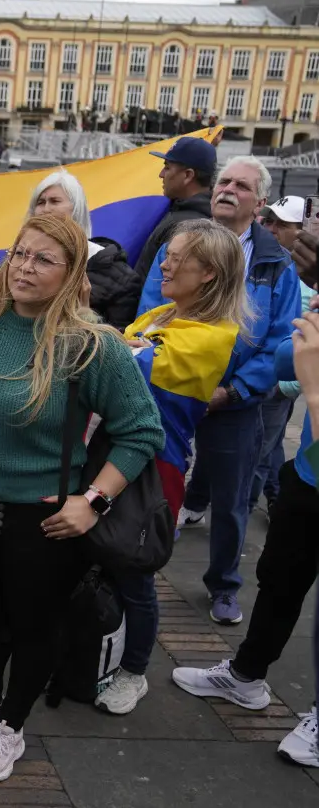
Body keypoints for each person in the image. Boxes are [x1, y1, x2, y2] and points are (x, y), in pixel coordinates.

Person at [0, 215, 162, 782]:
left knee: (35, 625)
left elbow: (142, 432)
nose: (25, 268)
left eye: (42, 259)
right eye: (19, 254)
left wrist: (94, 501)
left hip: (49, 519)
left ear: (72, 271)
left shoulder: (92, 346)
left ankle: (11, 724)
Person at [138, 156, 302, 625]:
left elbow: (279, 341)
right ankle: (138, 564)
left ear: (261, 202)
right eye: (224, 181)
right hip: (170, 390)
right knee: (151, 483)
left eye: (242, 185)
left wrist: (233, 390)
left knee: (232, 500)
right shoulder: (183, 243)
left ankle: (224, 585)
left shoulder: (276, 264)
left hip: (233, 400)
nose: (228, 189)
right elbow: (156, 305)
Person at [96, 221, 249, 716]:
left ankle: (134, 671)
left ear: (208, 273)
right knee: (97, 557)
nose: (165, 263)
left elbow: (125, 360)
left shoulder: (212, 335)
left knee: (135, 571)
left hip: (155, 469)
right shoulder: (164, 313)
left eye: (177, 256)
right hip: (114, 453)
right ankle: (94, 648)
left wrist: (81, 315)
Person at [172, 293, 319, 768]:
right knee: (279, 581)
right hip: (311, 475)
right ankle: (246, 677)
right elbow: (284, 362)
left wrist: (313, 383)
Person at [248, 195, 307, 515]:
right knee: (269, 447)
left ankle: (254, 502)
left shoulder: (305, 277)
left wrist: (288, 387)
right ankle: (275, 496)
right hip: (263, 378)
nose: (271, 229)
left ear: (303, 230)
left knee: (260, 453)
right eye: (268, 221)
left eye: (281, 224)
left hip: (282, 386)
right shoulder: (269, 262)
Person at [26, 169, 140, 330]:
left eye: (54, 201)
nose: (45, 209)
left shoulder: (119, 276)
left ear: (76, 208)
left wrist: (82, 315)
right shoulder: (18, 261)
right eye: (40, 202)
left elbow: (118, 343)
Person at [134, 136, 216, 278]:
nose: (161, 174)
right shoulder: (183, 212)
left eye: (167, 167)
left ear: (188, 175)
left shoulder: (187, 228)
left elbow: (163, 287)